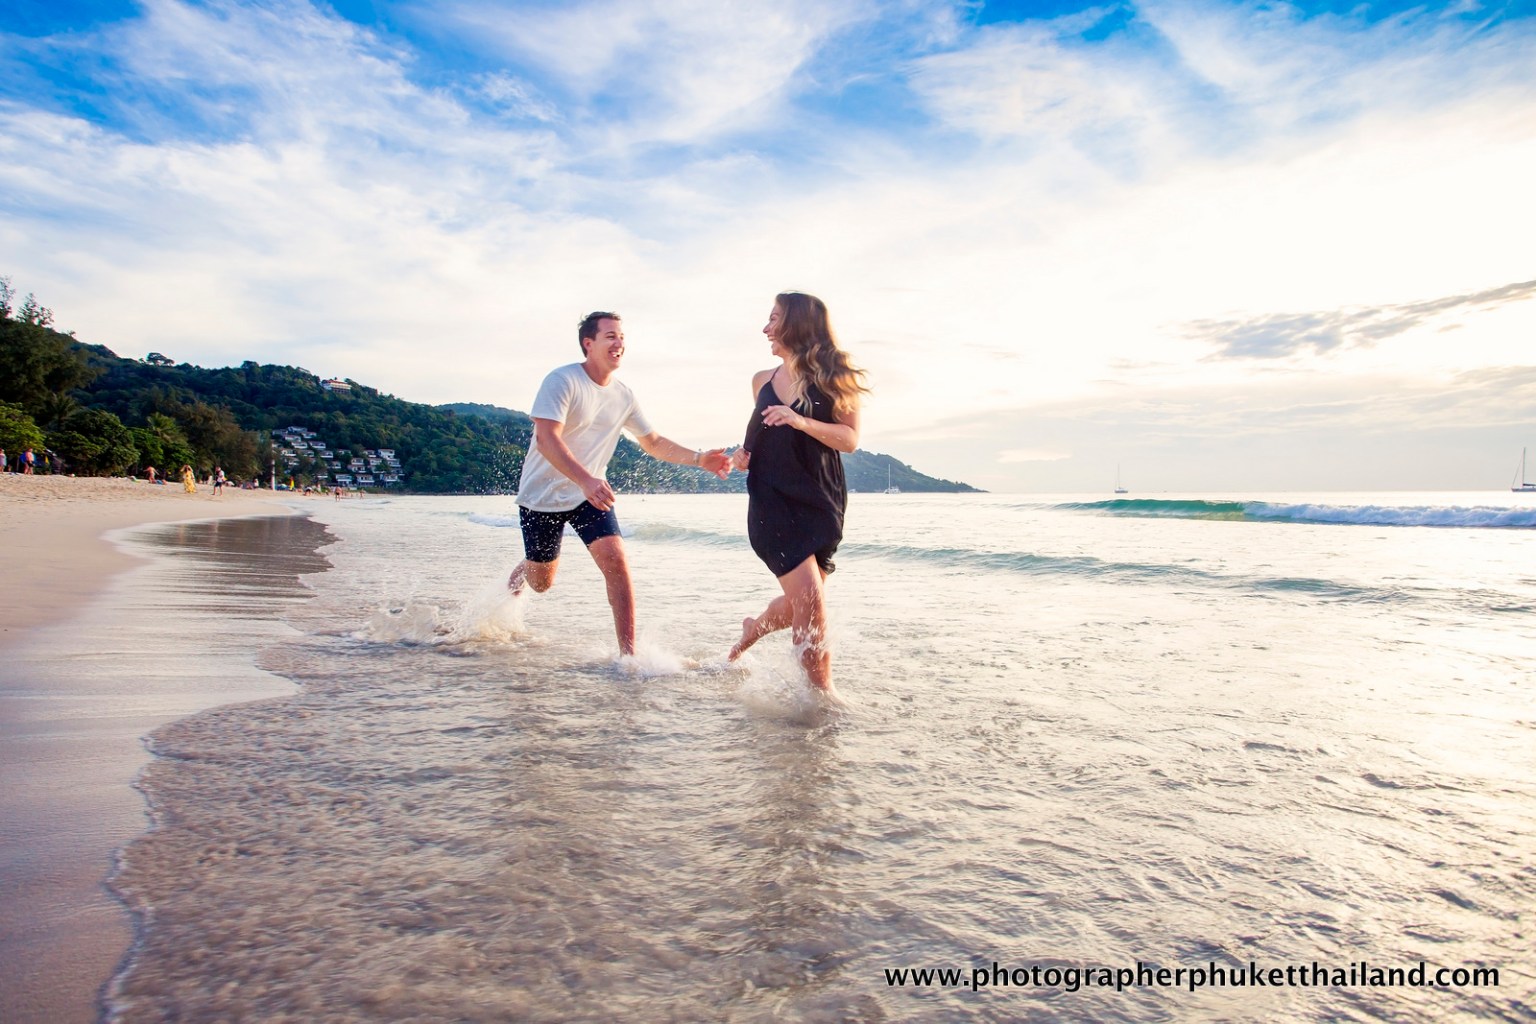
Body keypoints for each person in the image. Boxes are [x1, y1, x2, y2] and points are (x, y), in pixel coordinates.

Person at [507, 311, 731, 655]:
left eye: (622, 336)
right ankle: (526, 569)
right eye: (610, 336)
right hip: (542, 496)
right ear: (589, 344)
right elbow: (546, 440)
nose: (619, 343)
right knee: (541, 582)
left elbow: (653, 442)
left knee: (616, 560)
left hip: (590, 494)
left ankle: (629, 657)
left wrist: (700, 460)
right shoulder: (562, 381)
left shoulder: (624, 395)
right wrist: (585, 479)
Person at [728, 292, 868, 692]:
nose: (766, 327)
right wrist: (742, 456)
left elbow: (849, 439)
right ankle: (821, 700)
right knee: (810, 598)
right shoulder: (763, 381)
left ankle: (753, 630)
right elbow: (757, 438)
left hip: (822, 501)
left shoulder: (838, 376)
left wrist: (801, 421)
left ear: (798, 325)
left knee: (801, 602)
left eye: (773, 318)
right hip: (771, 502)